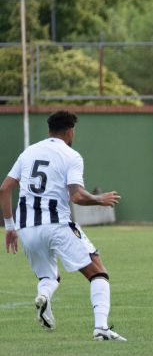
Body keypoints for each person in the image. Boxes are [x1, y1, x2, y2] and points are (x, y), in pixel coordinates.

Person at [0, 110, 126, 341]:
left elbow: (5, 188)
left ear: (49, 130)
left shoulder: (28, 152)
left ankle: (44, 297)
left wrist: (10, 226)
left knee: (49, 277)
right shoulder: (71, 155)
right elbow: (76, 195)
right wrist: (100, 199)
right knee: (98, 272)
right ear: (70, 131)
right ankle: (101, 329)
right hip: (57, 224)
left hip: (27, 229)